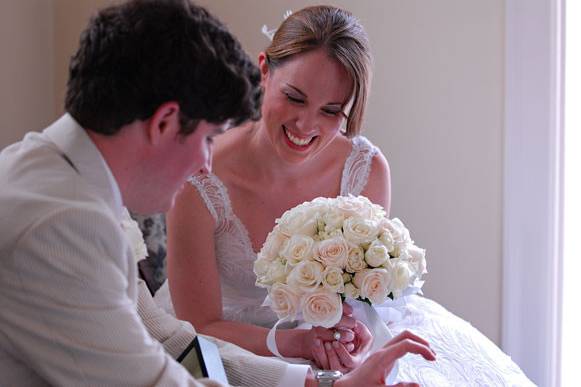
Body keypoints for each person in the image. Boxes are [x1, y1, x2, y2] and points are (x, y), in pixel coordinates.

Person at [0, 0, 435, 385]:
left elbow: (171, 340)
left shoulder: (67, 178)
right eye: (209, 138)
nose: (207, 165)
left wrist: (322, 384)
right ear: (166, 123)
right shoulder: (64, 224)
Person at [156, 5, 535, 385]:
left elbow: (356, 300)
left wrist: (349, 330)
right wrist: (294, 342)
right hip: (227, 348)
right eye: (295, 97)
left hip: (319, 343)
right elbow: (200, 325)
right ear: (265, 72)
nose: (306, 125)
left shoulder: (365, 171)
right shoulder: (200, 178)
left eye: (332, 110)